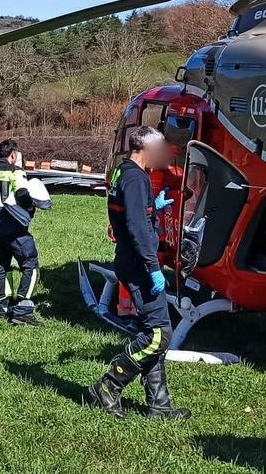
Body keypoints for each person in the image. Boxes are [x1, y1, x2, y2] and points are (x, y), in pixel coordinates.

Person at [85, 126, 191, 419]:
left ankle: (159, 406)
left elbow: (130, 214)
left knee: (155, 330)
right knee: (158, 335)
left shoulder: (124, 171)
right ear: (146, 149)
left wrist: (151, 208)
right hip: (139, 264)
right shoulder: (134, 178)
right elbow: (136, 228)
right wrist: (153, 267)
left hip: (132, 261)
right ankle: (108, 385)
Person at [0, 139, 50, 326]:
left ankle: (3, 307)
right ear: (13, 155)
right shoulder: (15, 171)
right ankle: (23, 309)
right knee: (30, 263)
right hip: (14, 228)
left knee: (2, 267)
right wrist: (31, 210)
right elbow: (23, 195)